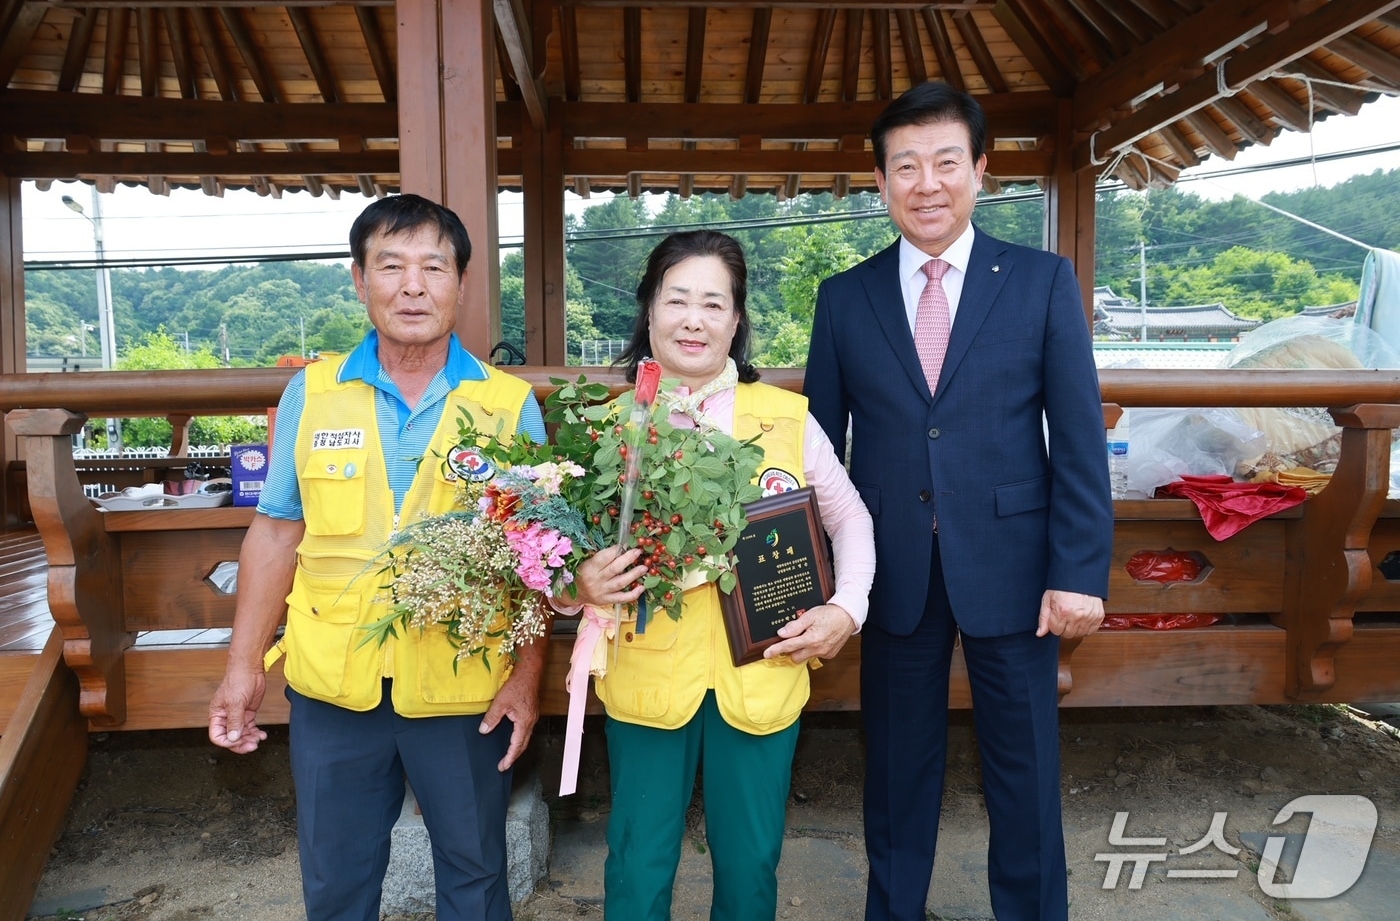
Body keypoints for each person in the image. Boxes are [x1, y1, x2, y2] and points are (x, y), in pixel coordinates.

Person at [803, 82, 1114, 921]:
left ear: (981, 170)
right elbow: (817, 455)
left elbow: (1080, 440)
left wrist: (1079, 570)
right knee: (897, 772)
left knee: (1025, 773)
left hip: (1015, 568)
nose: (927, 183)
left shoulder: (1043, 281)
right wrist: (824, 589)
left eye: (947, 162)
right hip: (891, 570)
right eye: (906, 166)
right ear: (881, 181)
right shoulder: (844, 298)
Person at [207, 194, 548, 921]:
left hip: (462, 684)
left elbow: (535, 557)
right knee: (337, 880)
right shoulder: (314, 392)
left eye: (434, 265)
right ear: (359, 280)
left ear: (462, 283)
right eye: (391, 265)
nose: (413, 285)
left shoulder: (508, 403)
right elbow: (274, 533)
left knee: (477, 874)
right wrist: (242, 668)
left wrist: (526, 676)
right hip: (335, 686)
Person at [567, 230, 875, 920]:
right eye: (677, 299)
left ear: (737, 321)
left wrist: (846, 609)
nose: (694, 319)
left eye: (714, 302)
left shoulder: (786, 419)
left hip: (762, 671)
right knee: (638, 862)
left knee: (750, 861)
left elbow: (852, 520)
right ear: (649, 311)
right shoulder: (611, 423)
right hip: (647, 671)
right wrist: (582, 581)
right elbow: (565, 550)